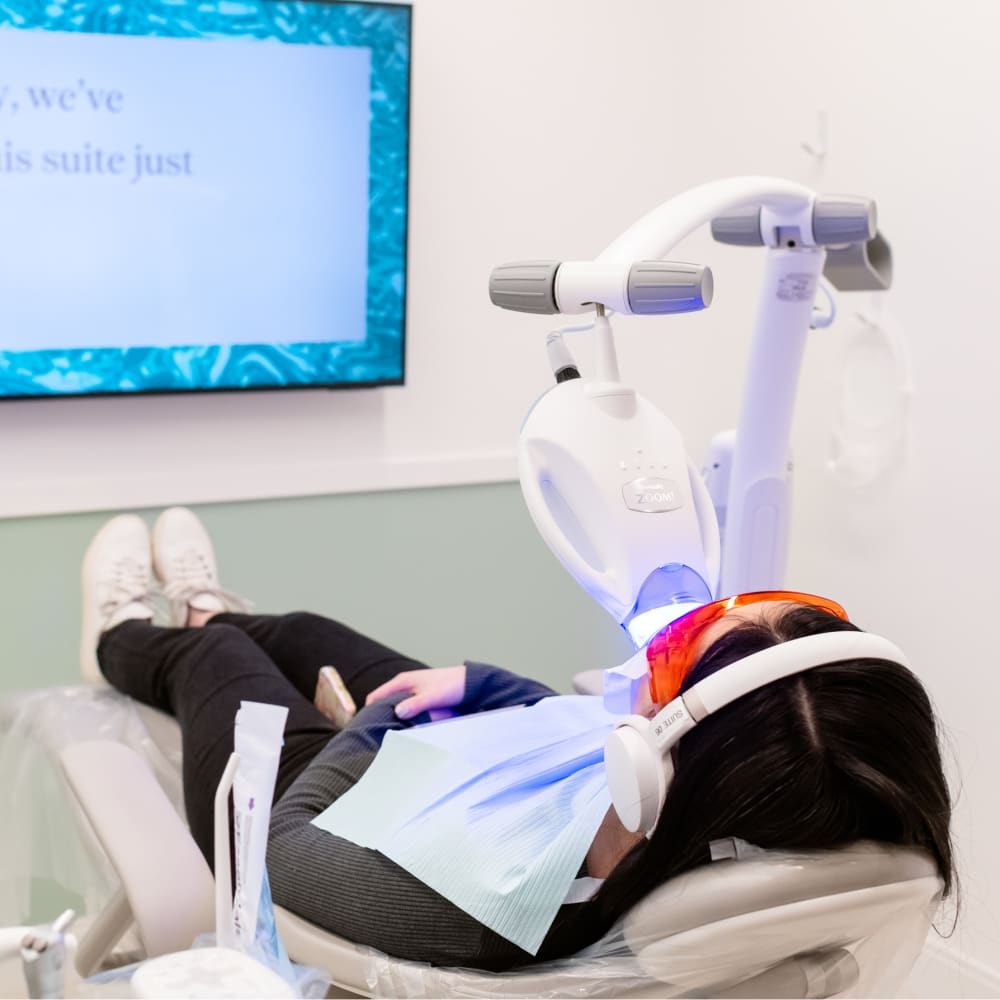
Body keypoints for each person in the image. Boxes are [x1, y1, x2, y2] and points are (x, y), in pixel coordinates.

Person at [81, 507, 955, 972]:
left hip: (319, 804)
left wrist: (371, 728)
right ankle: (202, 604)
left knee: (219, 659)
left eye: (680, 671)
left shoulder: (473, 906)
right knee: (299, 628)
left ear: (648, 766)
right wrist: (487, 689)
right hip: (449, 778)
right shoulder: (741, 797)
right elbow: (572, 739)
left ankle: (128, 636)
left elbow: (278, 853)